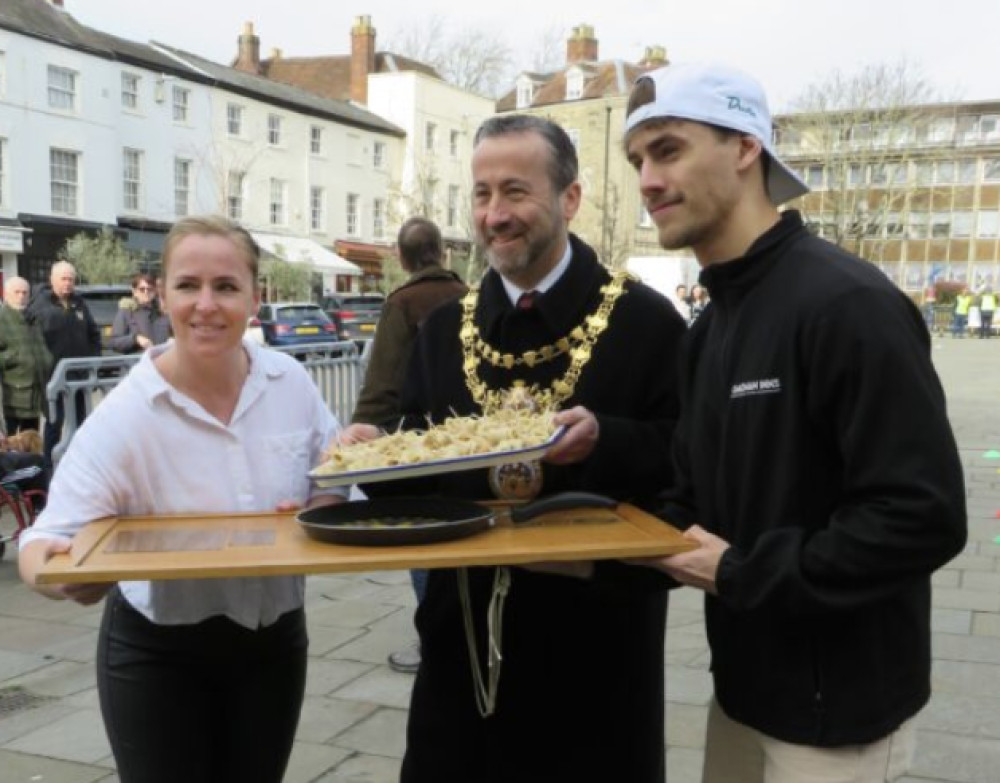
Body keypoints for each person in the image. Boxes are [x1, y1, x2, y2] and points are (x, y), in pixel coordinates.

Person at [623, 62, 967, 783]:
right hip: (744, 693)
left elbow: (922, 516)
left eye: (668, 149)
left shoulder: (847, 303)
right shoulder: (710, 327)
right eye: (637, 160)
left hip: (837, 718)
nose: (647, 180)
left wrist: (742, 571)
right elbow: (691, 501)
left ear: (746, 146)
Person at [346, 115, 687, 783]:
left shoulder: (647, 324)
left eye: (514, 191)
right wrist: (373, 457)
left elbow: (688, 465)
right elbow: (418, 471)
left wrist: (608, 439)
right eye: (480, 194)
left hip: (595, 659)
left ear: (570, 199)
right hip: (459, 648)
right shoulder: (446, 328)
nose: (494, 215)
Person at [18, 215, 347, 783]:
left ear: (253, 295)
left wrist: (327, 502)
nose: (206, 304)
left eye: (226, 286)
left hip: (274, 645)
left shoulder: (289, 382)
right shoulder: (127, 413)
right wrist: (64, 573)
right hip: (157, 657)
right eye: (188, 285)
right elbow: (41, 540)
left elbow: (334, 477)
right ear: (162, 295)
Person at [351, 216, 468, 675]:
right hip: (469, 442)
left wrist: (362, 435)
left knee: (424, 538)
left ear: (401, 258)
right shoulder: (471, 296)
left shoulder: (402, 303)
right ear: (442, 252)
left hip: (416, 443)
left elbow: (383, 381)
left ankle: (434, 644)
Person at [26, 261, 101, 466]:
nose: (68, 283)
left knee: (82, 422)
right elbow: (32, 342)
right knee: (54, 424)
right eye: (63, 279)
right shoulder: (40, 306)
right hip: (54, 378)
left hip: (80, 377)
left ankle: (80, 464)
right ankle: (49, 469)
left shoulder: (79, 303)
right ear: (52, 280)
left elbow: (94, 335)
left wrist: (93, 363)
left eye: (71, 279)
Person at [0, 277, 54, 434]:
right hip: (13, 395)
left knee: (31, 442)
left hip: (36, 392)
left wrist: (47, 359)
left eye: (25, 292)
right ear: (6, 294)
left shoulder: (33, 318)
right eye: (16, 292)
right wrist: (15, 357)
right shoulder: (2, 319)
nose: (21, 296)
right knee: (10, 445)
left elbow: (41, 347)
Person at [106, 273, 172, 353]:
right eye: (142, 289)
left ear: (155, 291)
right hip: (136, 362)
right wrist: (135, 339)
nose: (146, 292)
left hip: (162, 362)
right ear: (134, 291)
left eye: (150, 289)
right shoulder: (127, 312)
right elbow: (113, 343)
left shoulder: (164, 310)